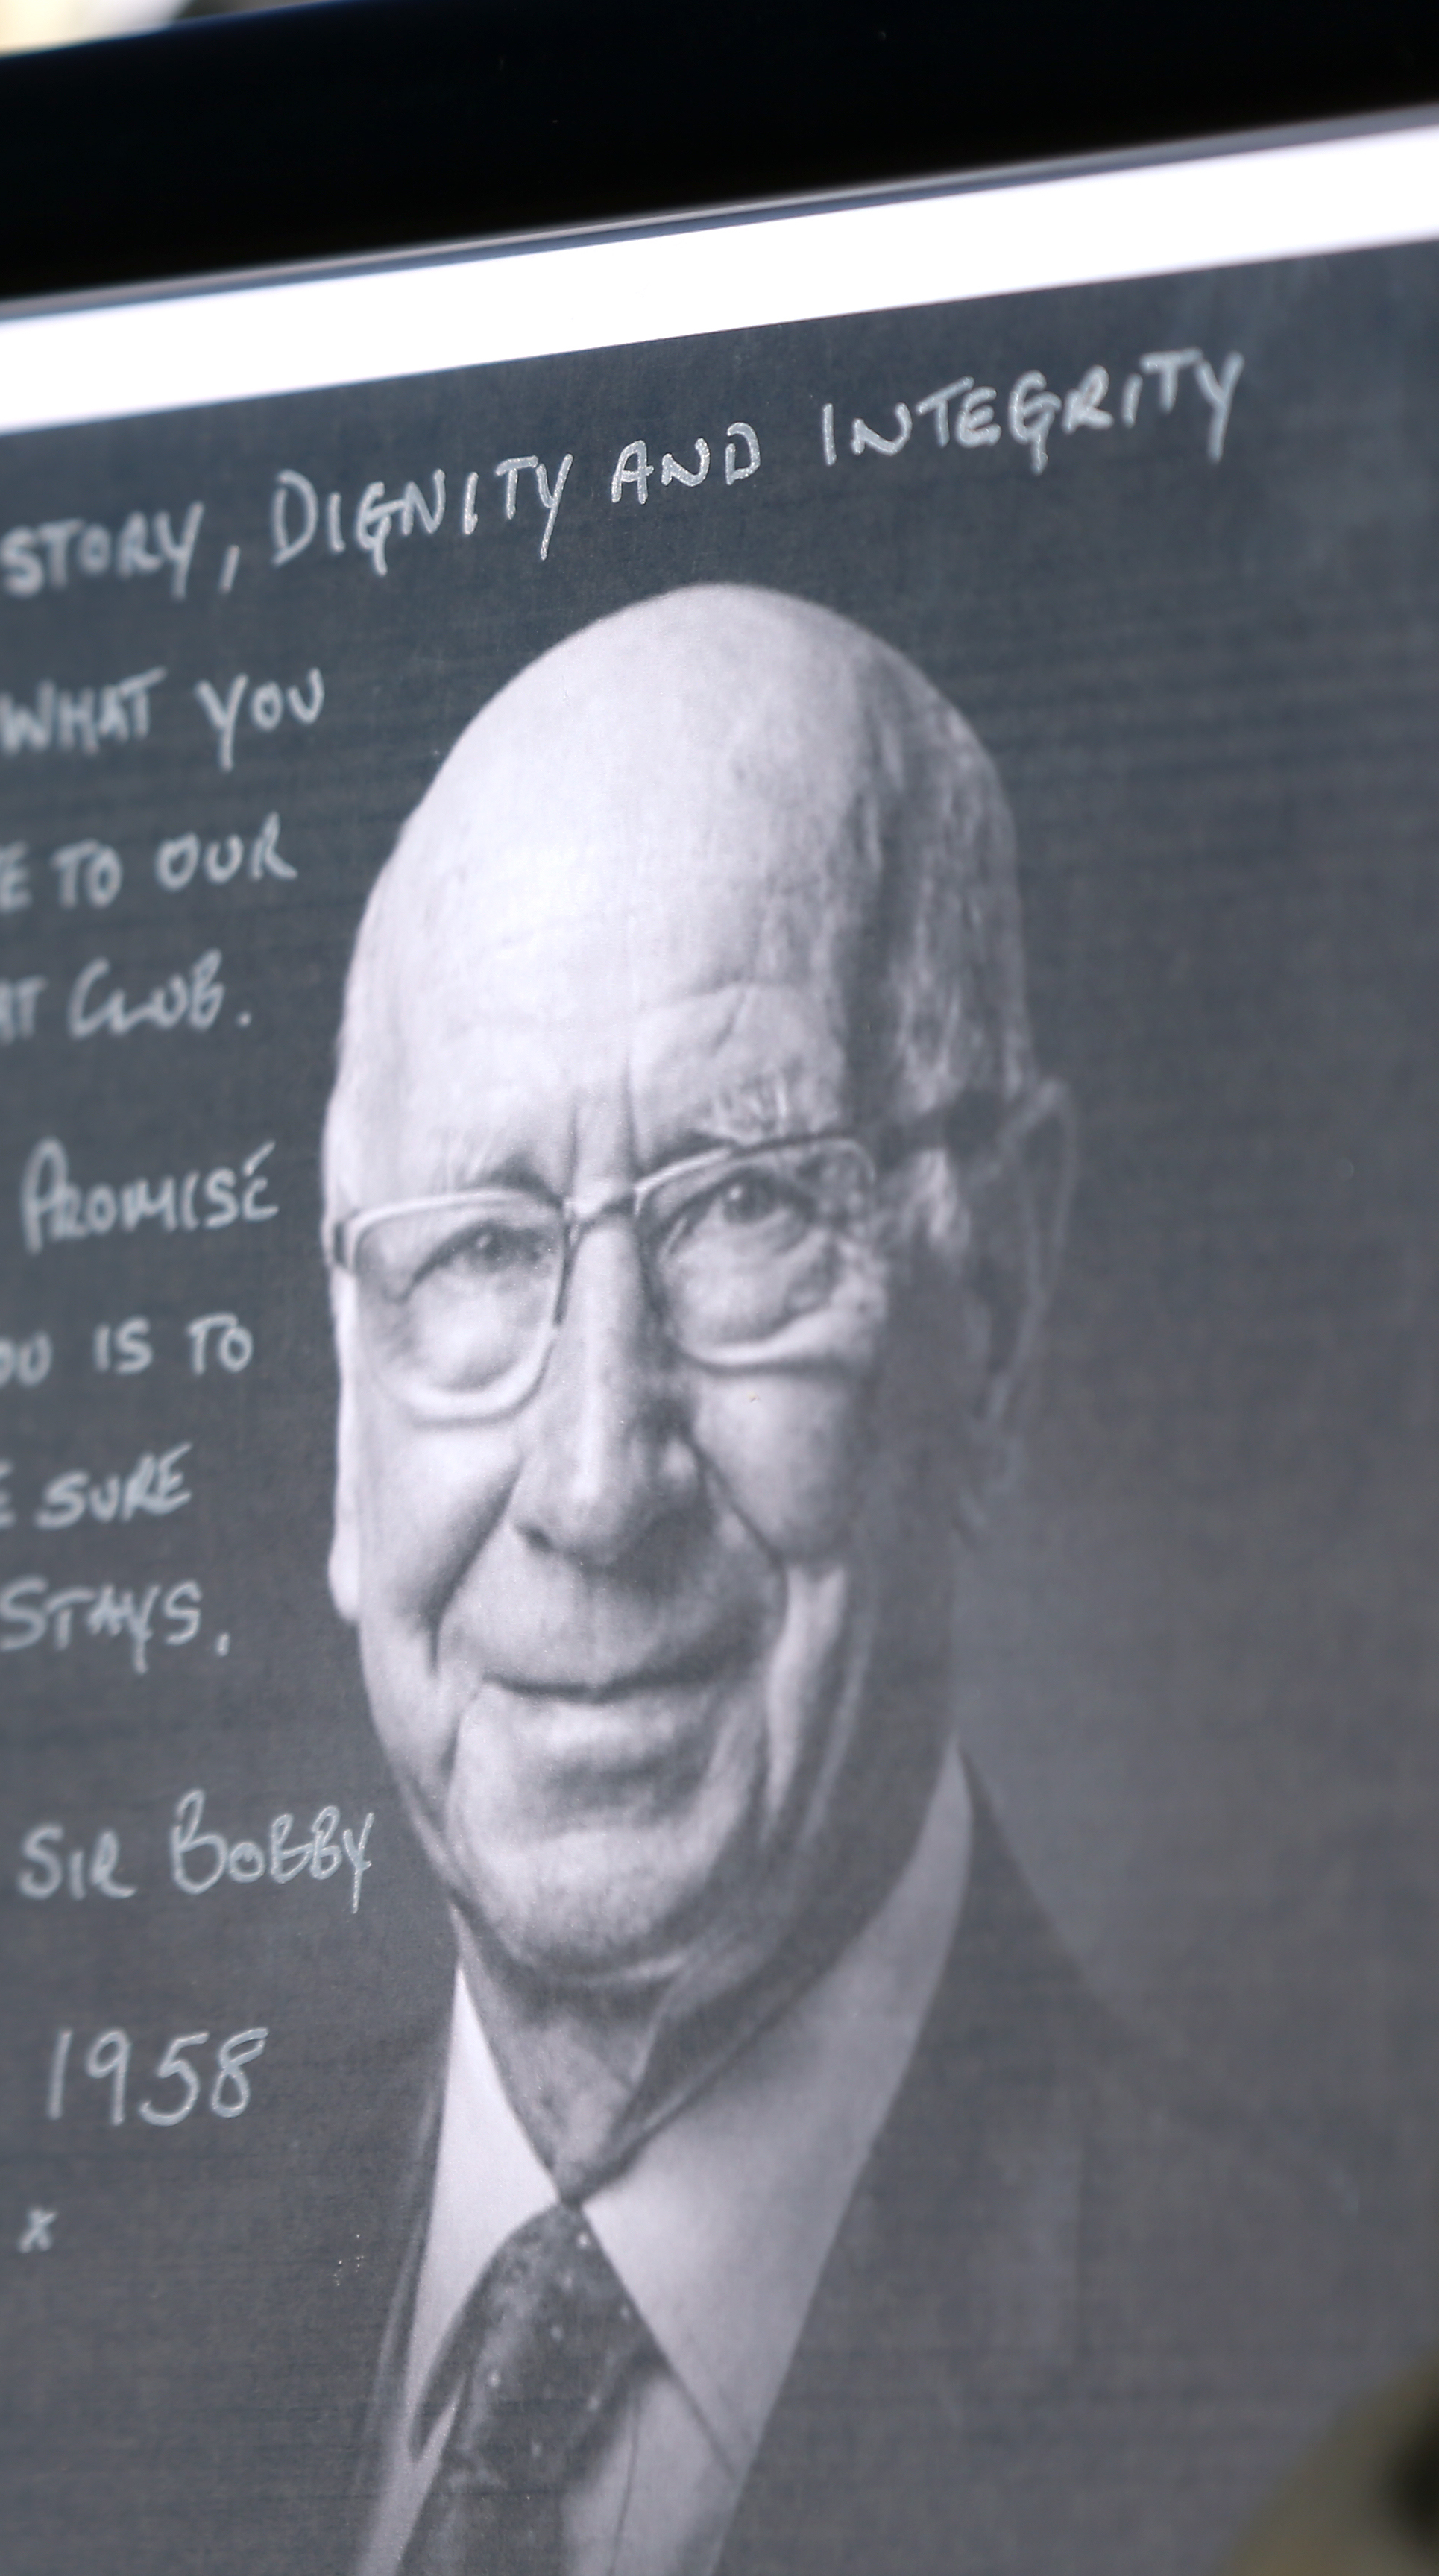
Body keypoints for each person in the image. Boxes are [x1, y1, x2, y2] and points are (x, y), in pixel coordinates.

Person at [295, 584, 1379, 2576]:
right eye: (482, 1253)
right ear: (352, 1384)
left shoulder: (1314, 2368)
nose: (596, 1478)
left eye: (749, 1211)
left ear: (1002, 1293)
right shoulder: (60, 2337)